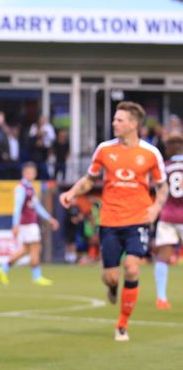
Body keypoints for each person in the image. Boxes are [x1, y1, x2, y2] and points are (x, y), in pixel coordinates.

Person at [59, 101, 168, 342]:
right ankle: (111, 288)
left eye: (119, 120)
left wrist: (155, 208)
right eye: (114, 119)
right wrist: (73, 193)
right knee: (111, 277)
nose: (114, 123)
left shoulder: (151, 153)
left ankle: (122, 325)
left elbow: (162, 187)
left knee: (131, 267)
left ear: (133, 124)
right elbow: (90, 180)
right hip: (109, 220)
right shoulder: (104, 150)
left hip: (138, 219)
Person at [0, 162, 59, 286]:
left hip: (31, 223)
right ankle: (37, 276)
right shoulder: (21, 188)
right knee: (36, 248)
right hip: (28, 224)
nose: (31, 175)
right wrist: (15, 225)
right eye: (29, 172)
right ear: (24, 173)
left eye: (33, 173)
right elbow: (17, 207)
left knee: (26, 250)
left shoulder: (30, 188)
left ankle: (3, 268)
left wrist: (50, 219)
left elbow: (37, 207)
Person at [153, 132, 183, 310]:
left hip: (168, 215)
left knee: (163, 257)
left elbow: (158, 190)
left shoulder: (164, 167)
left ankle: (162, 298)